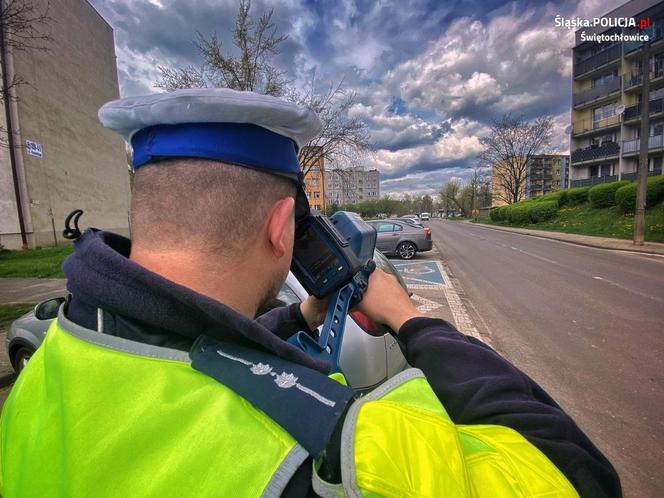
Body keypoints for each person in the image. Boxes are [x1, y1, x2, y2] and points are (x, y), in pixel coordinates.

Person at [0, 88, 620, 498]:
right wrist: (411, 321)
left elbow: (181, 355)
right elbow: (576, 471)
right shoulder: (340, 452)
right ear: (280, 227)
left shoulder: (58, 355)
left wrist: (300, 313)